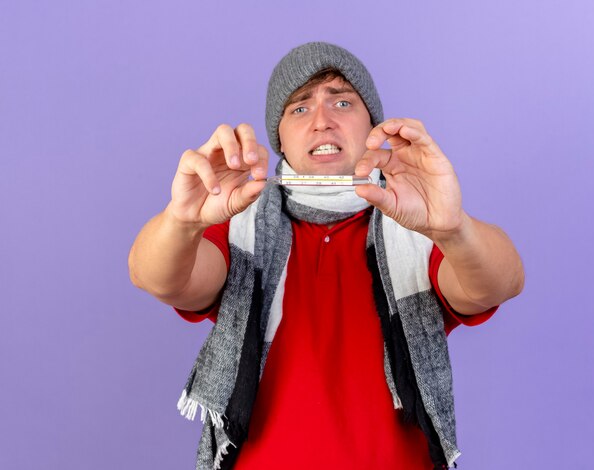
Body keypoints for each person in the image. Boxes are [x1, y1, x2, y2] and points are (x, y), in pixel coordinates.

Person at [128, 42, 524, 470]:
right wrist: (183, 220)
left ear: (372, 126)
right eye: (300, 108)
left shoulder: (419, 225)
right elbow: (161, 279)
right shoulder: (240, 224)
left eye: (342, 101)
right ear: (278, 137)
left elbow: (499, 284)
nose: (322, 121)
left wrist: (453, 228)